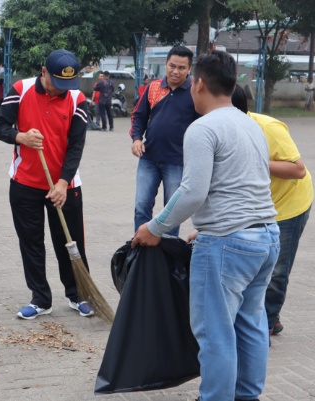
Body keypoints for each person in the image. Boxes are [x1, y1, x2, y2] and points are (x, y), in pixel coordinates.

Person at [133, 50, 280, 401]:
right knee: (251, 324)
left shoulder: (202, 128)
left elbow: (191, 192)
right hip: (266, 237)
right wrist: (207, 226)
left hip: (228, 245)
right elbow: (244, 183)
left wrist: (154, 227)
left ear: (198, 84)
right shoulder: (251, 125)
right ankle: (247, 396)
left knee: (215, 332)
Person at [0, 49, 94, 320]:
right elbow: (0, 126)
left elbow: (76, 145)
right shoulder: (20, 90)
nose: (61, 89)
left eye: (66, 84)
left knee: (70, 241)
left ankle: (77, 295)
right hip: (25, 183)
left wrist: (62, 183)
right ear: (44, 71)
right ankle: (40, 299)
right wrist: (21, 137)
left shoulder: (76, 98)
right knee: (31, 242)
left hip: (65, 186)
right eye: (56, 82)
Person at [231, 85, 313, 338]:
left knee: (277, 270)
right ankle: (268, 317)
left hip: (288, 204)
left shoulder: (268, 128)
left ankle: (265, 325)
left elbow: (298, 170)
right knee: (253, 265)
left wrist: (255, 159)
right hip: (255, 205)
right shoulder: (217, 131)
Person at [130, 45, 199, 237]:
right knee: (141, 206)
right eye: (172, 66)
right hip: (148, 158)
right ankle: (140, 248)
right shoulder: (153, 88)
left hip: (178, 161)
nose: (175, 71)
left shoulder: (196, 91)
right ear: (166, 64)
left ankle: (168, 250)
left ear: (189, 69)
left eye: (182, 68)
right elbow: (139, 116)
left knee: (172, 211)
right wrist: (136, 139)